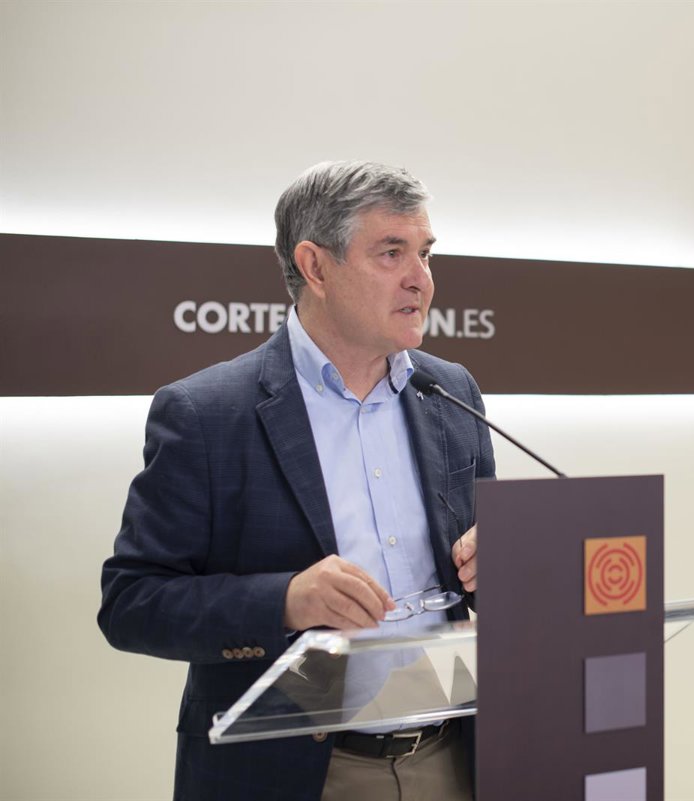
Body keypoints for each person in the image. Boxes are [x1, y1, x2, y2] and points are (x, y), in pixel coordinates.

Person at [98, 161, 495, 801]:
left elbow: (484, 561)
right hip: (293, 772)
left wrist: (507, 562)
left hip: (452, 758)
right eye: (391, 253)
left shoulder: (450, 390)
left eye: (425, 253)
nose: (421, 279)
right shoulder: (206, 414)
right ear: (315, 267)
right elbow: (132, 604)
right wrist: (284, 600)